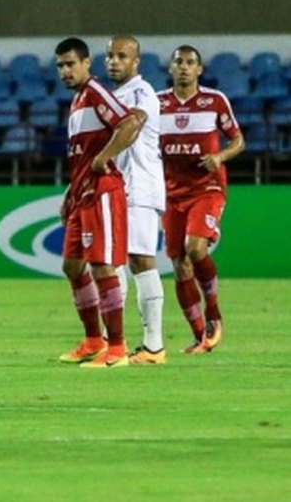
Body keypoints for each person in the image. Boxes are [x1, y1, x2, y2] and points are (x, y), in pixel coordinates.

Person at [54, 37, 142, 369]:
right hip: (81, 195)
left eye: (70, 64)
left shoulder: (95, 93)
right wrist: (69, 193)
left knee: (103, 266)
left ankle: (117, 349)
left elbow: (130, 122)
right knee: (72, 266)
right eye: (60, 66)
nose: (65, 71)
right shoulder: (77, 102)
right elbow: (80, 157)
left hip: (103, 191)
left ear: (86, 63)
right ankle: (94, 340)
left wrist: (105, 157)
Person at [158, 45, 244, 354]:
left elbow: (238, 140)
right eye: (178, 62)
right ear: (170, 68)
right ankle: (200, 337)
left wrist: (220, 156)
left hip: (207, 188)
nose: (183, 67)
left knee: (195, 249)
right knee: (179, 265)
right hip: (171, 193)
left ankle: (214, 312)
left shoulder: (215, 101)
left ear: (199, 70)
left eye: (190, 62)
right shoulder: (157, 104)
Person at [104, 35, 167, 365]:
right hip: (119, 188)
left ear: (136, 61)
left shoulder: (142, 92)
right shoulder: (114, 95)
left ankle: (154, 346)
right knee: (115, 261)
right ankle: (113, 341)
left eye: (122, 56)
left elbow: (136, 123)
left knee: (140, 260)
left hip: (139, 186)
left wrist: (103, 156)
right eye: (110, 56)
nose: (114, 61)